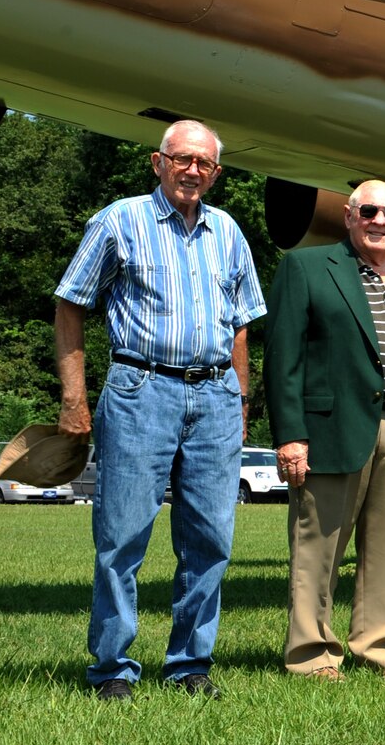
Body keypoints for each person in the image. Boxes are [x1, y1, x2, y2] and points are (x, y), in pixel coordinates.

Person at [53, 119, 265, 701]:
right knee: (122, 537)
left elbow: (241, 326)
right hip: (140, 389)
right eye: (182, 159)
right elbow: (71, 306)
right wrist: (74, 399)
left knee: (210, 539)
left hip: (217, 394)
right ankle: (112, 670)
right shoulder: (120, 220)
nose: (193, 170)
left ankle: (191, 665)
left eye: (204, 163)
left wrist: (239, 403)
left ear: (216, 173)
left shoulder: (228, 231)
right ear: (158, 162)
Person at [265, 181, 385, 682]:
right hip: (329, 428)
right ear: (348, 216)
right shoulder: (305, 267)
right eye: (369, 211)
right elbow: (283, 361)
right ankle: (311, 655)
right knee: (317, 546)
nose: (379, 221)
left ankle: (382, 646)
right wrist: (290, 435)